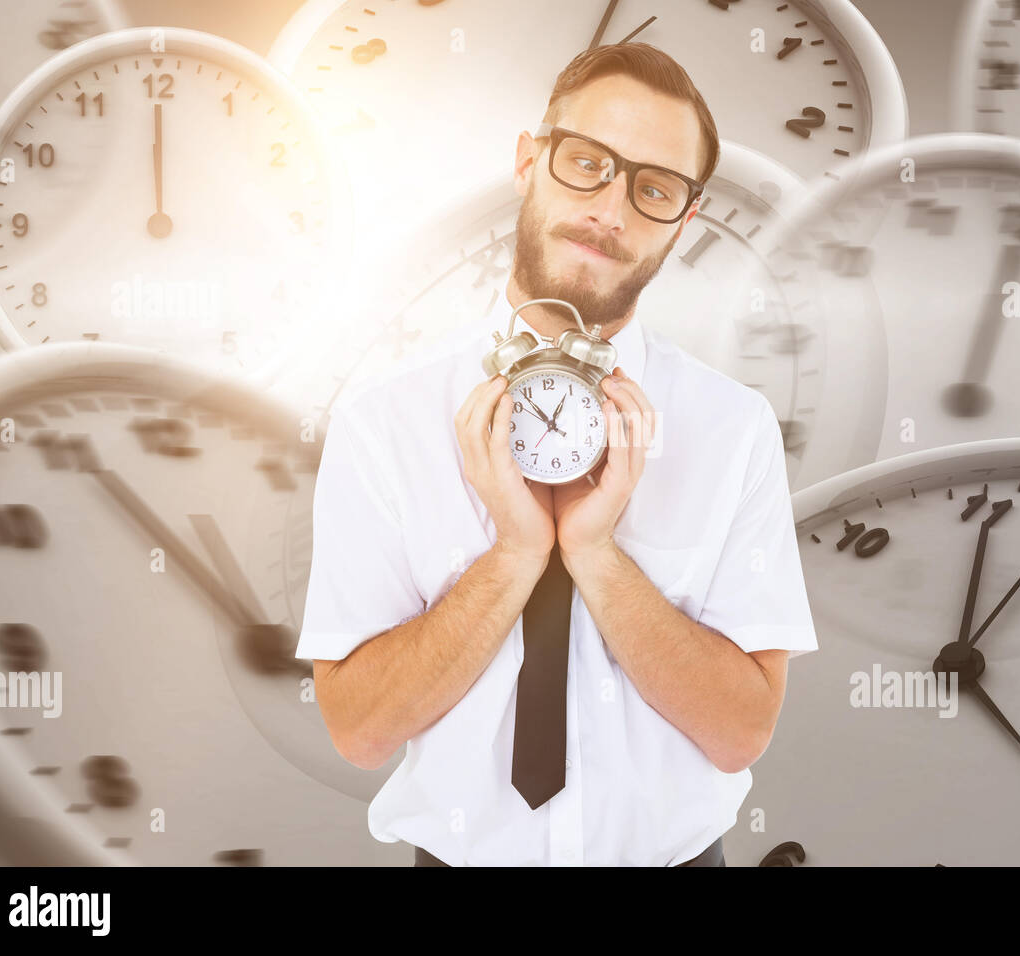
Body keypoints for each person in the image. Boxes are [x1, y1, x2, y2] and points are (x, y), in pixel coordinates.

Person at [294, 42, 818, 867]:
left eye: (653, 187)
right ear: (528, 161)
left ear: (684, 219)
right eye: (587, 163)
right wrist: (513, 556)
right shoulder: (382, 423)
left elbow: (740, 732)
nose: (611, 208)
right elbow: (358, 730)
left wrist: (597, 555)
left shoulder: (732, 428)